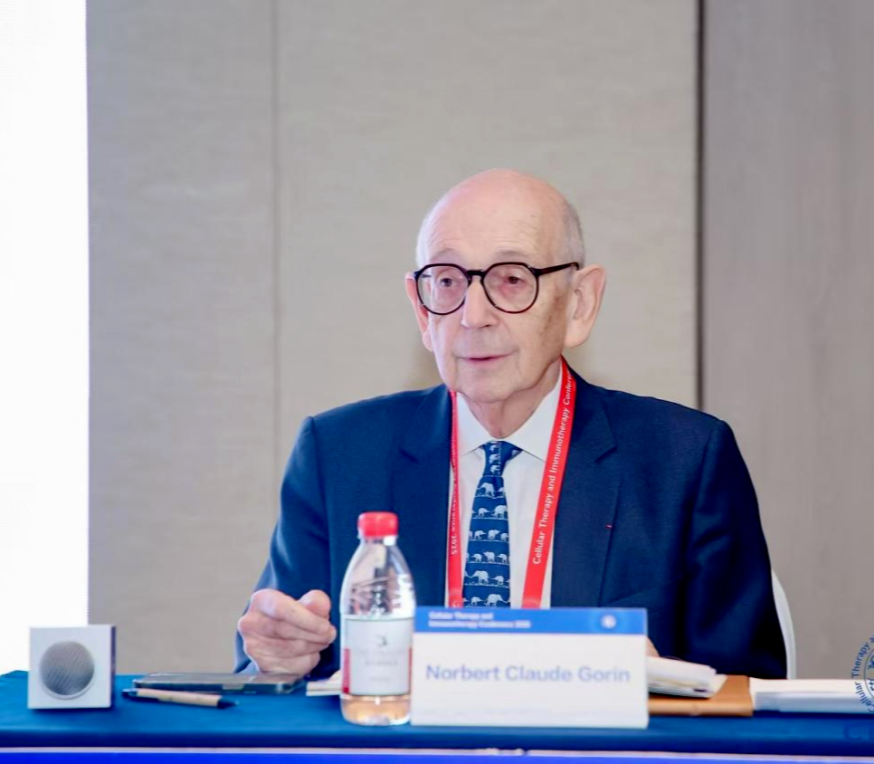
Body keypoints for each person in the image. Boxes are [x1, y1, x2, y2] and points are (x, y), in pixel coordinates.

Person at [235, 169, 786, 680]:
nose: (473, 316)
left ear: (579, 304)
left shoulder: (684, 461)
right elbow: (266, 668)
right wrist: (276, 660)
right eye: (447, 281)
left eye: (512, 279)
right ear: (422, 311)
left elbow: (748, 693)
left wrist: (656, 682)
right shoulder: (338, 456)